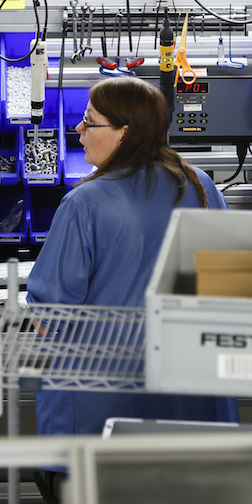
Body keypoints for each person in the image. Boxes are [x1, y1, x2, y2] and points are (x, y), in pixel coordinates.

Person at [26, 76, 239, 450]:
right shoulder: (201, 186)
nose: (79, 129)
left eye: (90, 122)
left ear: (124, 133)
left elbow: (51, 315)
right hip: (189, 400)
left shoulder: (84, 203)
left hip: (102, 407)